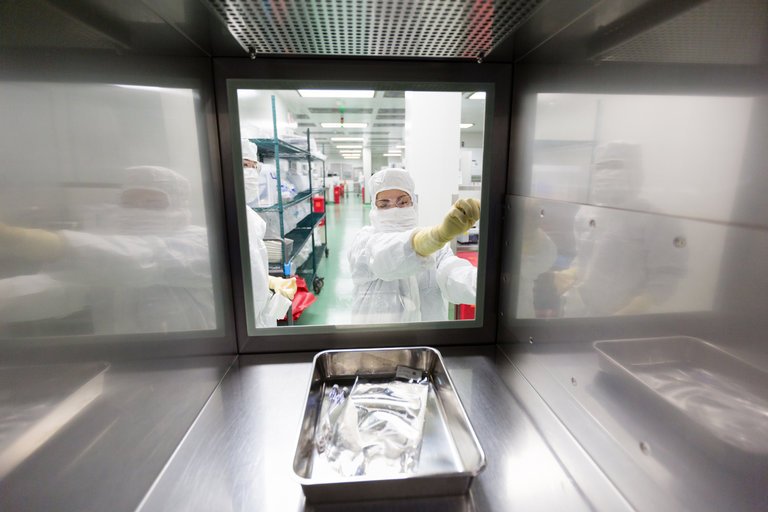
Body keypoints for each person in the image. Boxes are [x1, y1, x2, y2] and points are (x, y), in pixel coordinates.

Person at [0, 165, 216, 334]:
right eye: (130, 203)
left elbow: (144, 259)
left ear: (178, 204)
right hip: (123, 359)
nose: (139, 210)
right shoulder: (116, 246)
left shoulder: (202, 242)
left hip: (195, 360)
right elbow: (63, 288)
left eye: (152, 203)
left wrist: (21, 238)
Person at [554, 142, 687, 316]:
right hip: (581, 310)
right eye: (601, 167)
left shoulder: (656, 220)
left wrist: (638, 305)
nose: (606, 174)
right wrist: (571, 273)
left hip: (625, 318)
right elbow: (584, 258)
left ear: (635, 172)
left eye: (615, 166)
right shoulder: (586, 213)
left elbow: (667, 274)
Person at [348, 168, 480, 323]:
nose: (394, 210)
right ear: (374, 208)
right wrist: (433, 238)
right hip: (378, 336)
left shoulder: (437, 247)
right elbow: (382, 257)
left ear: (413, 203)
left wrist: (487, 285)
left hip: (427, 336)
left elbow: (455, 275)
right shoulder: (364, 241)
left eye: (403, 202)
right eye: (384, 205)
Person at [241, 140, 296, 327]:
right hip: (243, 320)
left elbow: (251, 265)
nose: (250, 173)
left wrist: (269, 281)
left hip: (257, 312)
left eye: (253, 167)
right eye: (243, 165)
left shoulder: (250, 217)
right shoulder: (217, 219)